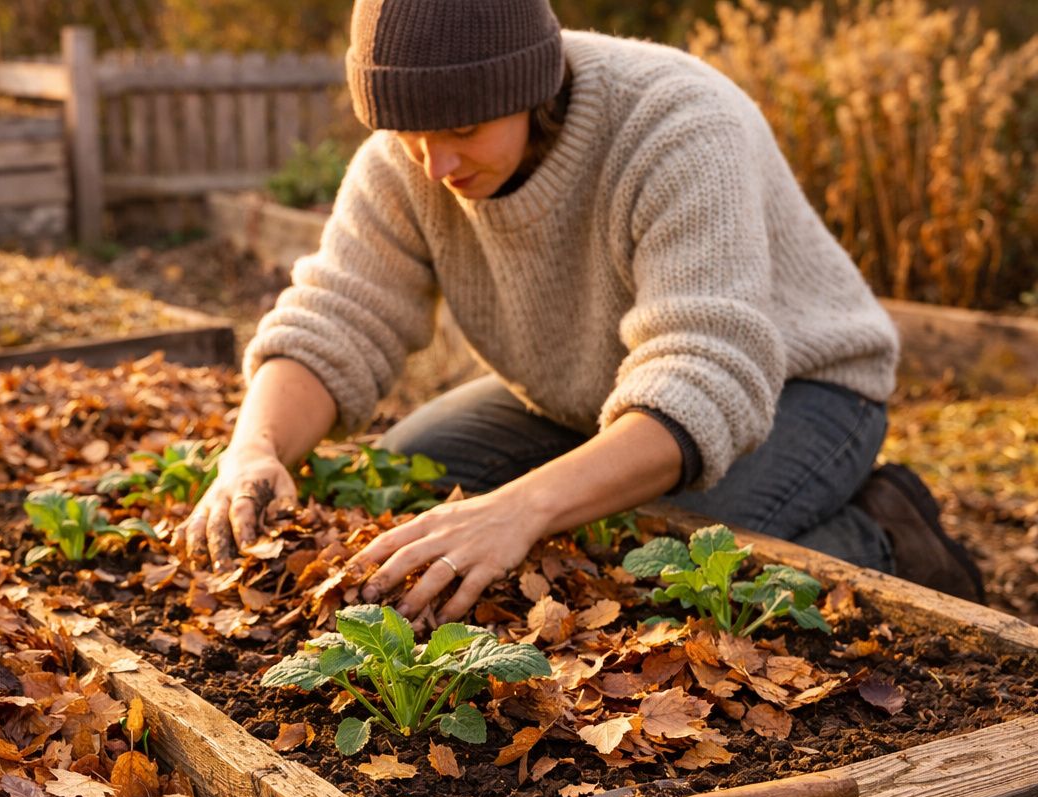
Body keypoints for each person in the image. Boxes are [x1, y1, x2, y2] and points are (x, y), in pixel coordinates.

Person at [182, 0, 984, 621]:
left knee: (656, 563)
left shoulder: (676, 124)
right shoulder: (407, 160)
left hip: (796, 391)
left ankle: (883, 532)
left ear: (531, 89)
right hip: (588, 397)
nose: (437, 164)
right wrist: (251, 450)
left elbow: (702, 374)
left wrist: (524, 508)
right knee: (406, 481)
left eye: (463, 129)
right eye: (410, 134)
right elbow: (335, 320)